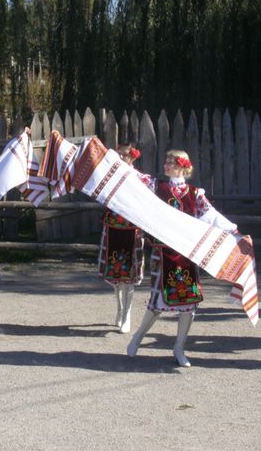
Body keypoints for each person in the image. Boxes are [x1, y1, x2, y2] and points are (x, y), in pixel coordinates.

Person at [127, 150, 237, 367]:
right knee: (157, 302)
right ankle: (138, 336)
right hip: (163, 253)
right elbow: (131, 177)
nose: (166, 165)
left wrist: (233, 229)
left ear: (183, 166)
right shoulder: (156, 186)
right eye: (165, 160)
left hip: (186, 254)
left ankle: (179, 347)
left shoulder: (195, 193)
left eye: (171, 162)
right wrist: (117, 161)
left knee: (188, 303)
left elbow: (211, 215)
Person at [98, 145, 150, 333]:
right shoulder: (109, 179)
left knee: (130, 275)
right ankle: (119, 309)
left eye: (124, 155)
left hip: (132, 230)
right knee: (116, 274)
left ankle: (127, 314)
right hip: (113, 229)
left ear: (132, 158)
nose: (121, 157)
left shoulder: (141, 179)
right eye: (118, 155)